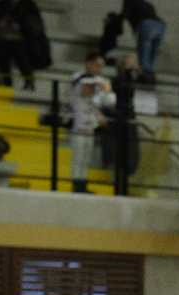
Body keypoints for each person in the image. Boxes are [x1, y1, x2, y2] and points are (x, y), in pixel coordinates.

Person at [69, 49, 114, 194]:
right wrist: (102, 86)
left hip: (90, 126)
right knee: (78, 157)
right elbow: (86, 91)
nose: (99, 69)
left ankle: (82, 186)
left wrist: (105, 90)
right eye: (96, 65)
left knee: (86, 158)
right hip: (78, 125)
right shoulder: (78, 76)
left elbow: (109, 101)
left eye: (101, 66)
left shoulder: (100, 81)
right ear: (88, 63)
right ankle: (76, 187)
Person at [122, 0, 166, 84]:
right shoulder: (147, 4)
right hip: (160, 26)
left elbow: (125, 14)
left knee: (144, 52)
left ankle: (146, 76)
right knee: (152, 54)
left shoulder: (129, 2)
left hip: (147, 25)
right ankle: (150, 75)